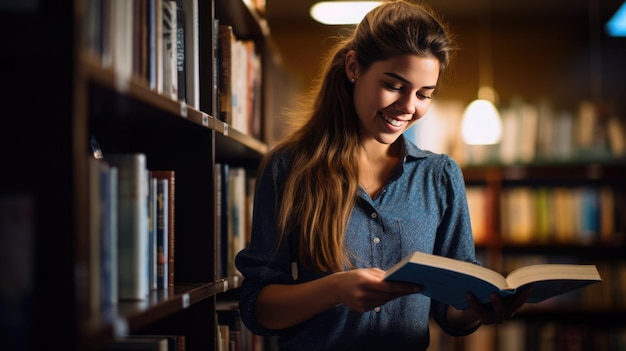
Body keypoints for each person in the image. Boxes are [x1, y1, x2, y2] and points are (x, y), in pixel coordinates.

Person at [235, 1, 530, 350]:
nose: (408, 107)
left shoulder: (439, 175)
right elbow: (258, 309)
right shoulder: (289, 168)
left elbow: (450, 313)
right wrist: (336, 289)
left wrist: (481, 311)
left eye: (423, 94)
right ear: (353, 67)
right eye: (394, 85)